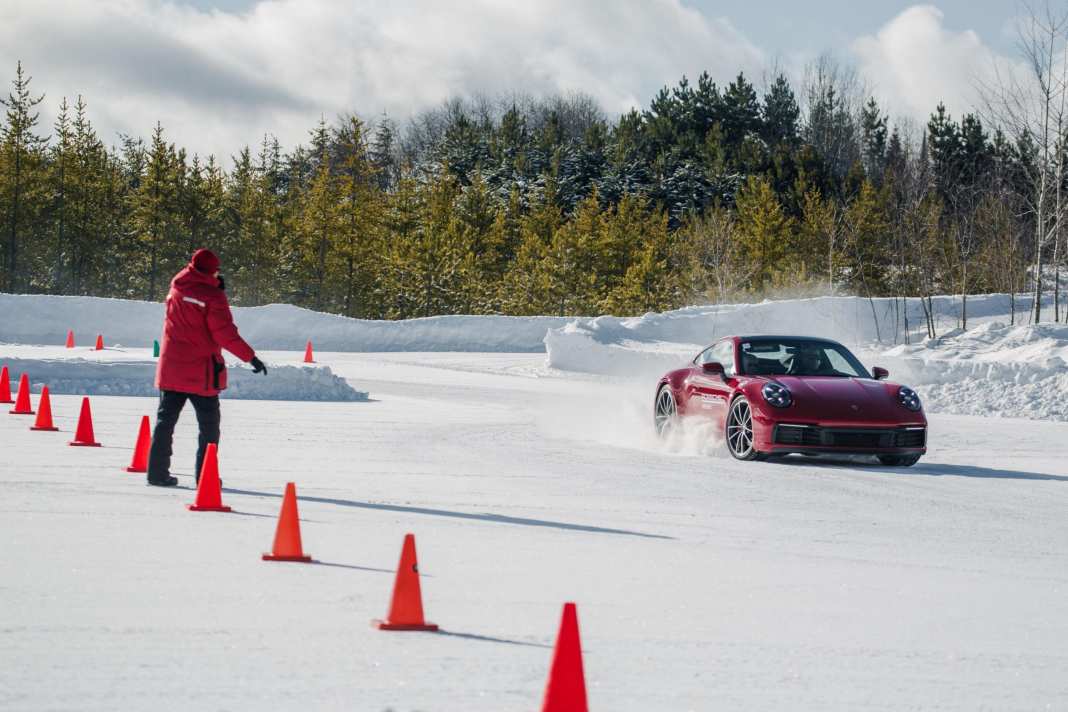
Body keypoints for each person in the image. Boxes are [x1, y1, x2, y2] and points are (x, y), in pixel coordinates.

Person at [146, 249, 267, 487]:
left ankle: (156, 473)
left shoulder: (177, 284)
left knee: (165, 422)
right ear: (214, 270)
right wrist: (251, 357)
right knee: (209, 427)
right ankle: (205, 477)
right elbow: (224, 333)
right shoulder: (212, 296)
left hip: (172, 366)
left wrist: (212, 284)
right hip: (201, 371)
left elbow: (193, 295)